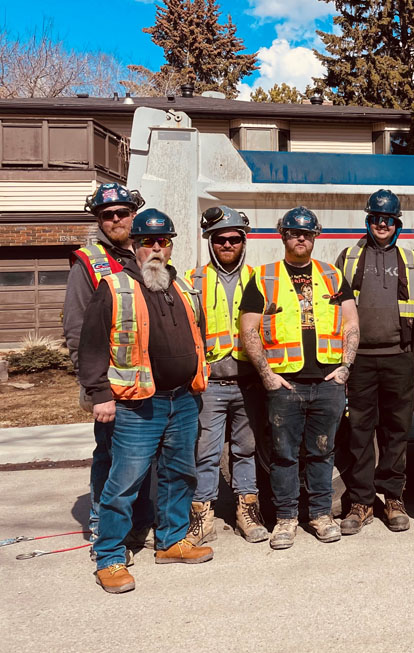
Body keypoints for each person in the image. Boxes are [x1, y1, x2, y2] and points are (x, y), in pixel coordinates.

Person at [79, 208, 212, 594]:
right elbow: (91, 345)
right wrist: (99, 395)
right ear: (134, 245)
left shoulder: (183, 287)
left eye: (163, 241)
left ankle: (171, 541)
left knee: (179, 475)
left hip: (182, 399)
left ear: (170, 246)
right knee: (124, 483)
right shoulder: (114, 287)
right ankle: (109, 556)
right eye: (147, 241)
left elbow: (198, 335)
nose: (156, 248)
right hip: (137, 405)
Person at [239, 206, 359, 550]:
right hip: (285, 385)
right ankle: (286, 519)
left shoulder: (332, 275)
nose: (301, 239)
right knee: (284, 455)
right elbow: (248, 329)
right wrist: (267, 375)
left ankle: (321, 515)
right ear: (283, 236)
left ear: (315, 236)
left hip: (327, 382)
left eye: (307, 233)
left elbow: (351, 323)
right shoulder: (264, 277)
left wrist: (345, 367)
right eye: (294, 233)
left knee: (323, 452)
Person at [62, 182, 153, 559]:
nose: (116, 219)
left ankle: (138, 524)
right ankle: (104, 529)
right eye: (107, 215)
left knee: (144, 459)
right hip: (113, 386)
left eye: (122, 212)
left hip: (148, 383)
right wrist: (95, 389)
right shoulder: (89, 263)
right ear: (99, 220)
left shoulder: (149, 252)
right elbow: (76, 329)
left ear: (134, 214)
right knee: (112, 458)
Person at [335, 190, 414, 535]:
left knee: (396, 431)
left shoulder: (409, 259)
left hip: (399, 357)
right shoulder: (349, 257)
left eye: (388, 219)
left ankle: (393, 498)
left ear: (397, 223)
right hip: (360, 360)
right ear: (368, 221)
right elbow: (336, 309)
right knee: (359, 432)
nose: (382, 225)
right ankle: (361, 502)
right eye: (376, 218)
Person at [184, 206, 269, 545]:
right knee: (205, 453)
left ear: (244, 242)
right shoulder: (193, 281)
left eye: (235, 239)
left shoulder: (259, 279)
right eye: (221, 239)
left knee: (246, 450)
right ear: (210, 242)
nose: (228, 244)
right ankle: (202, 517)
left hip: (249, 383)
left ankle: (246, 512)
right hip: (210, 385)